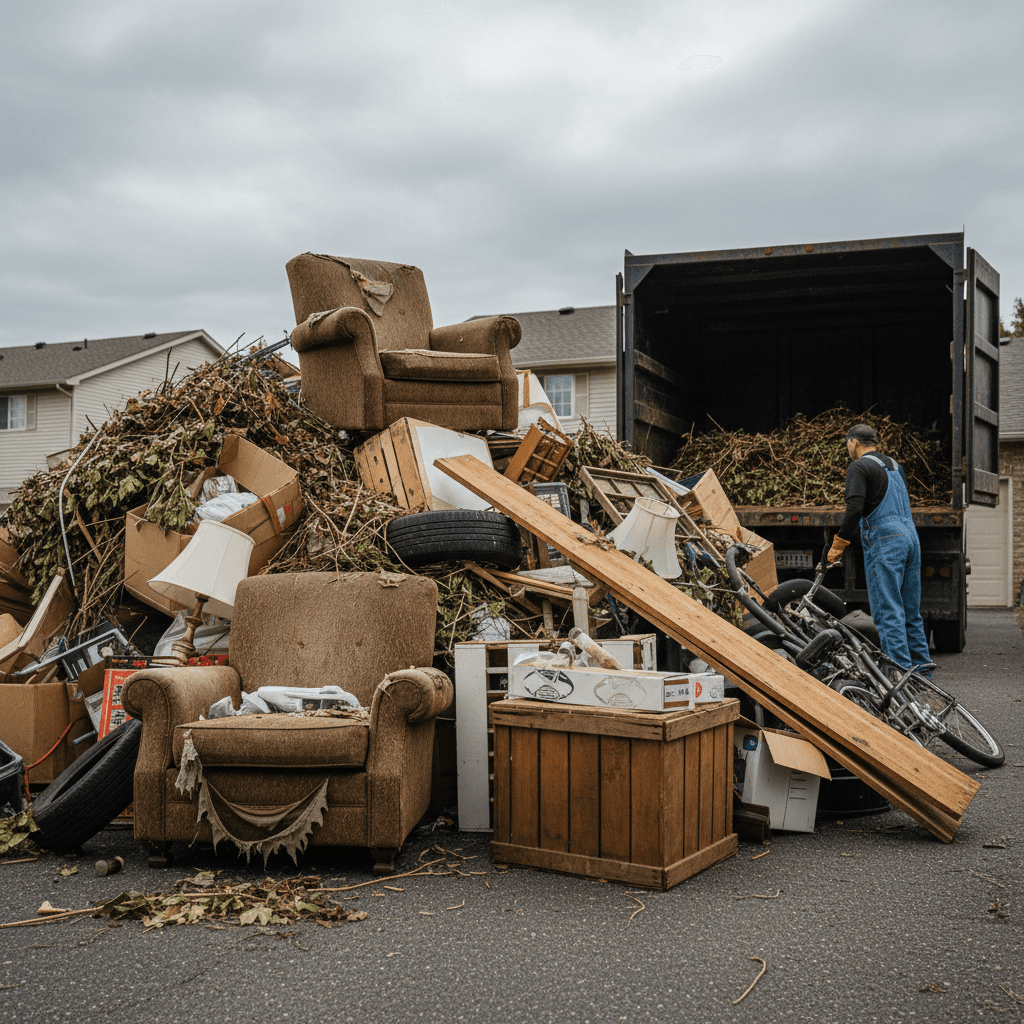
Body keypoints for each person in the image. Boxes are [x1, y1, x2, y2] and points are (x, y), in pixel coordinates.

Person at [826, 423, 933, 674]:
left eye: (847, 445)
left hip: (886, 541)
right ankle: (923, 676)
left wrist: (838, 544)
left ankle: (900, 677)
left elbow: (854, 509)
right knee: (910, 613)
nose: (848, 450)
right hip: (910, 537)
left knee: (888, 613)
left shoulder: (859, 467)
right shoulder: (895, 466)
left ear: (854, 443)